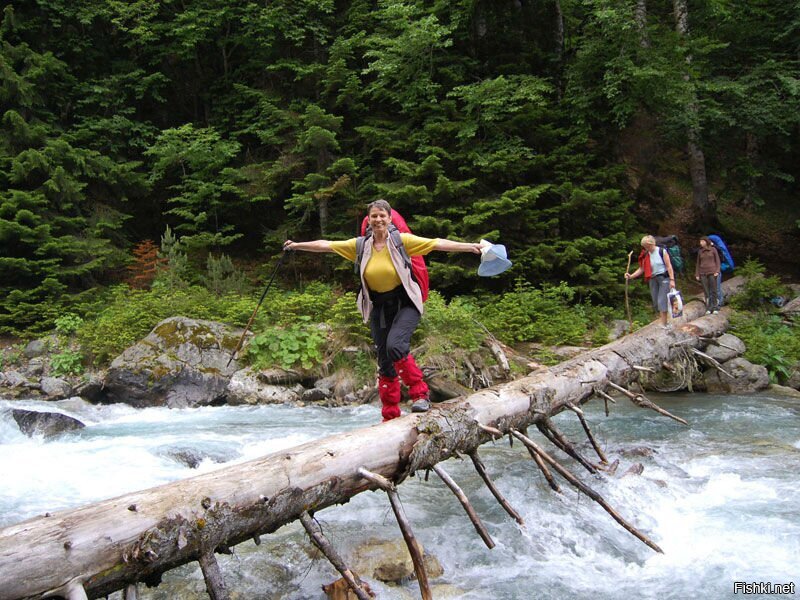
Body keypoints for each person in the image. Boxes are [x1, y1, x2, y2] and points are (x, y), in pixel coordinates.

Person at [283, 199, 487, 421]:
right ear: (368, 220)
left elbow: (437, 243)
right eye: (374, 216)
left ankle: (421, 395)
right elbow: (327, 245)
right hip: (379, 306)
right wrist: (296, 246)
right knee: (384, 361)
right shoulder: (360, 245)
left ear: (390, 219)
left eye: (382, 216)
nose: (378, 220)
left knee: (396, 347)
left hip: (405, 302)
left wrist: (471, 247)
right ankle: (390, 414)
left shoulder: (403, 242)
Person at [625, 235, 676, 330]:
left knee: (662, 301)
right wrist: (631, 276)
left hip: (664, 278)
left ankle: (664, 324)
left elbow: (669, 266)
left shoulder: (661, 251)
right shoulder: (645, 255)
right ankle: (665, 320)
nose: (646, 248)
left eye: (648, 246)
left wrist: (672, 280)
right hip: (652, 279)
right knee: (656, 302)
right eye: (645, 246)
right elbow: (642, 269)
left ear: (652, 244)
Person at [695, 236, 720, 314]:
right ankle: (709, 307)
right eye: (700, 242)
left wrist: (717, 271)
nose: (701, 243)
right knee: (706, 291)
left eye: (702, 241)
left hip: (712, 272)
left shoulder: (713, 249)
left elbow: (718, 261)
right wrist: (697, 274)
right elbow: (698, 263)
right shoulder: (700, 251)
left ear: (706, 241)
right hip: (703, 273)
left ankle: (715, 307)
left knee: (714, 290)